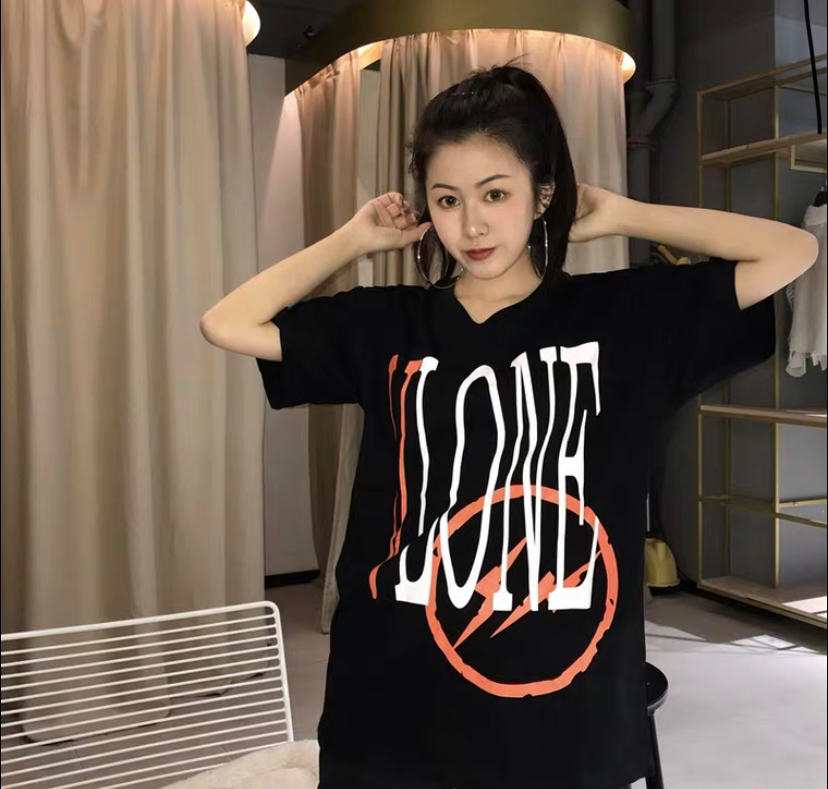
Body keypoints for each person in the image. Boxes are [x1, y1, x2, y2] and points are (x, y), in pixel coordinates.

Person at [200, 61, 817, 789]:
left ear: (541, 193)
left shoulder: (619, 318)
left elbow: (794, 250)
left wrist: (625, 214)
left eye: (496, 193)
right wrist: (352, 241)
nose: (472, 225)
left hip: (562, 699)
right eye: (448, 199)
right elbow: (226, 322)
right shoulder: (387, 324)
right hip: (393, 688)